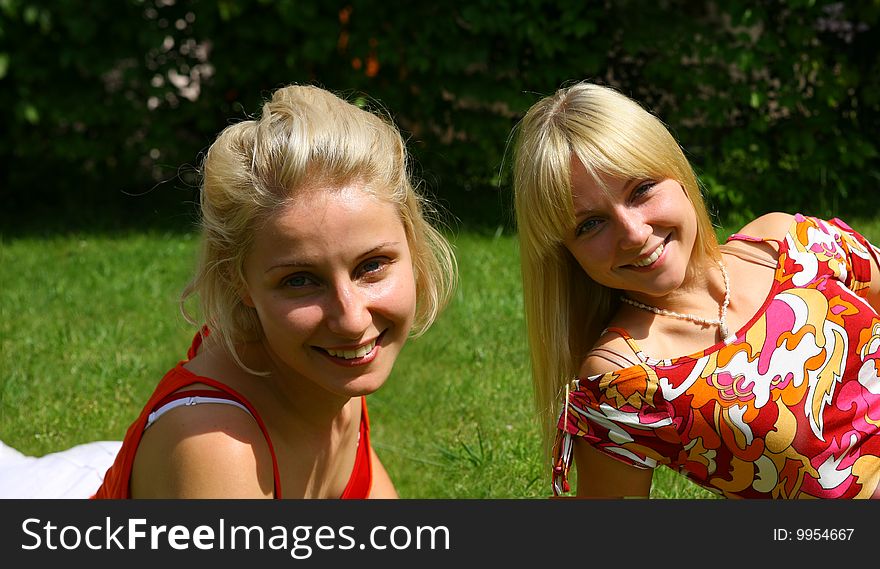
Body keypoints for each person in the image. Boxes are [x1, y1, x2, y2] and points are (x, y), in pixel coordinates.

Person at [511, 80, 880, 499]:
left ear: (677, 173)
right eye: (590, 224)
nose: (633, 233)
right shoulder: (625, 376)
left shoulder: (788, 243)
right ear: (568, 253)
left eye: (641, 190)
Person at [92, 84, 457, 498]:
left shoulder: (324, 374)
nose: (352, 320)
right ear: (237, 280)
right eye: (300, 280)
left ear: (411, 242)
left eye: (370, 266)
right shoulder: (215, 450)